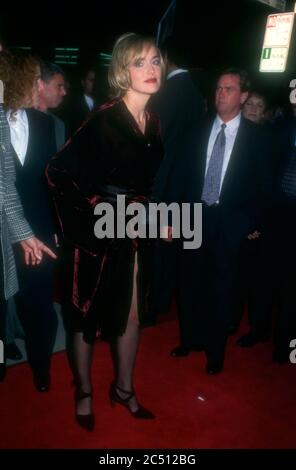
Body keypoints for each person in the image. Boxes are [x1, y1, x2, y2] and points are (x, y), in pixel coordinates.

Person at [46, 33, 164, 431]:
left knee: (132, 316)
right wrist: (97, 215)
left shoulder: (153, 122)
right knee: (86, 318)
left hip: (134, 233)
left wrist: (155, 217)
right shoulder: (104, 118)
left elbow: (142, 187)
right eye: (139, 62)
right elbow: (58, 174)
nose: (150, 70)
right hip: (96, 235)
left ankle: (124, 389)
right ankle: (84, 390)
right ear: (121, 71)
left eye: (155, 61)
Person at [162, 68, 273, 374]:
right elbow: (178, 177)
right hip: (193, 218)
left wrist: (247, 225)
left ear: (244, 96)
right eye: (218, 88)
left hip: (230, 223)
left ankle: (215, 351)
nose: (221, 94)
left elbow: (264, 189)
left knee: (222, 288)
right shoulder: (195, 130)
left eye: (229, 89)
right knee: (189, 283)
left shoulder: (258, 139)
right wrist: (170, 218)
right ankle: (190, 340)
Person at [0, 50, 55, 382]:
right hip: (4, 232)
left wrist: (57, 225)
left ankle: (41, 366)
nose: (40, 84)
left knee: (40, 306)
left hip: (38, 232)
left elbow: (52, 180)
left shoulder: (45, 124)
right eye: (35, 77)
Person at [38, 61, 67, 149]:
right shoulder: (17, 118)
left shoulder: (59, 125)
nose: (64, 92)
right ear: (41, 85)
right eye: (59, 86)